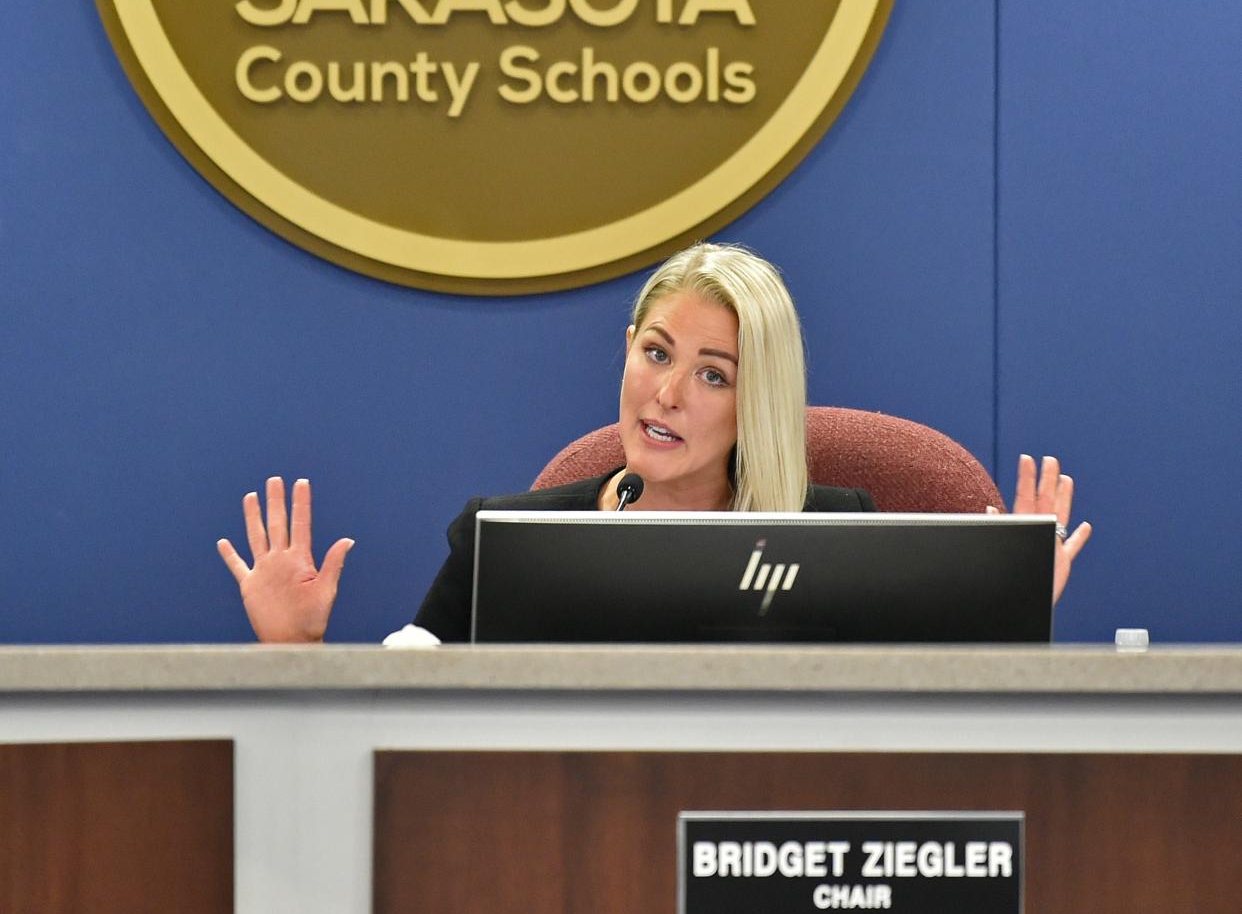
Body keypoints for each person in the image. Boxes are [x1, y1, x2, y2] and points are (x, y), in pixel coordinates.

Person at [217, 242, 1091, 643]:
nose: (667, 392)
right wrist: (295, 658)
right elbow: (407, 719)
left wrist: (1010, 610)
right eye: (656, 352)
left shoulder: (838, 533)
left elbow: (922, 729)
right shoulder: (500, 539)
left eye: (714, 372)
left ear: (759, 403)